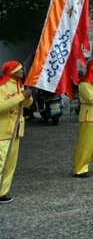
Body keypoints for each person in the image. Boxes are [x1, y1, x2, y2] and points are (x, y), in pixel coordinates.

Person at [0, 61, 33, 204]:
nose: (22, 72)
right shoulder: (2, 87)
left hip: (16, 129)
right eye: (19, 69)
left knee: (10, 165)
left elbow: (26, 104)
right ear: (12, 71)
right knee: (1, 163)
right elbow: (1, 106)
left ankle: (2, 191)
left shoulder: (20, 86)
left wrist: (27, 96)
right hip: (3, 130)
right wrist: (21, 96)